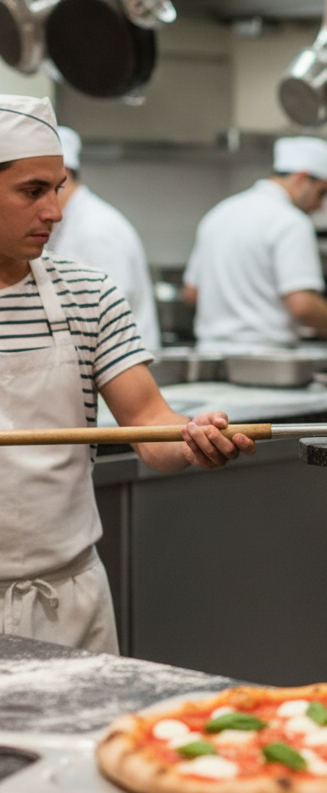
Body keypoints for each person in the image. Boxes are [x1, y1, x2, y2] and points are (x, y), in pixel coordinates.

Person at [0, 95, 257, 655]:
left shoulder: (87, 294)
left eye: (58, 187)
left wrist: (189, 441)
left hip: (68, 601)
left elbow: (147, 422)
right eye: (32, 191)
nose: (55, 212)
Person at [183, 136, 327, 353]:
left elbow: (192, 293)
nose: (321, 205)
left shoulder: (220, 213)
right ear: (301, 179)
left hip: (208, 355)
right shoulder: (291, 222)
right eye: (321, 193)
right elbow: (303, 306)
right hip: (264, 359)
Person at [48, 126, 162, 352]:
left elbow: (107, 320)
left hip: (119, 370)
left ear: (63, 174)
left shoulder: (96, 229)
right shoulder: (66, 223)